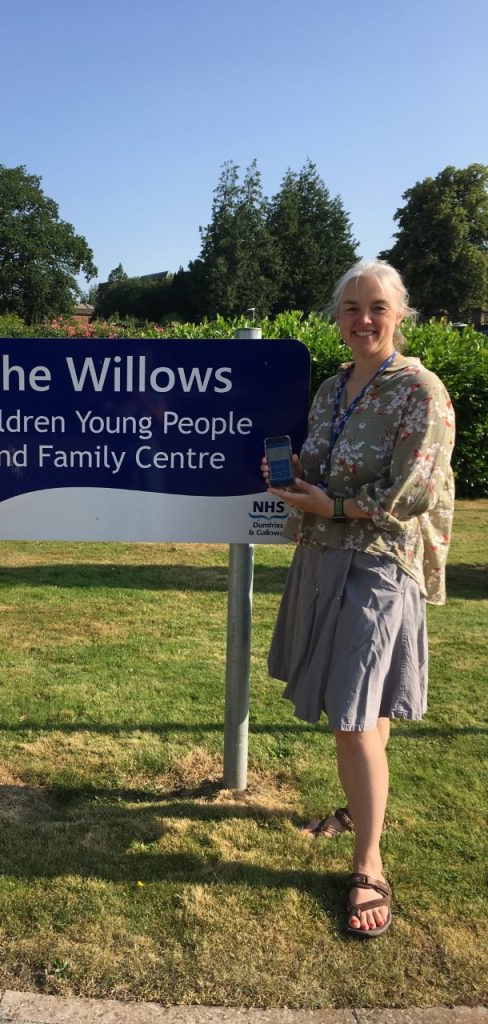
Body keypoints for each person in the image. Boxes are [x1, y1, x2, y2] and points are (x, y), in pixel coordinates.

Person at [263, 258, 455, 938]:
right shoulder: (332, 388)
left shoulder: (419, 391)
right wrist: (293, 477)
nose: (363, 320)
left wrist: (333, 503)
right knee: (366, 710)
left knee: (351, 713)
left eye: (376, 306)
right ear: (337, 316)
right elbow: (322, 460)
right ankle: (357, 809)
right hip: (322, 555)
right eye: (351, 307)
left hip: (377, 566)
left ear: (400, 314)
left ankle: (369, 864)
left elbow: (415, 492)